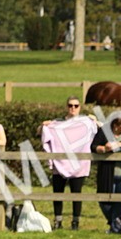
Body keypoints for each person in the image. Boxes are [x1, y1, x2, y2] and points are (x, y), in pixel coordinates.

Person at [40, 97, 96, 231]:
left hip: (78, 164)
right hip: (60, 163)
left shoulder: (85, 123)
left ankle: (75, 221)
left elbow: (98, 128)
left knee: (76, 194)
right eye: (70, 105)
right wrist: (43, 126)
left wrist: (94, 121)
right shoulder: (56, 123)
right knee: (58, 193)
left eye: (76, 106)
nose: (73, 108)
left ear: (80, 107)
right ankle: (58, 220)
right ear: (66, 107)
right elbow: (42, 132)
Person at [91, 117, 121, 232]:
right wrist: (104, 149)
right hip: (107, 173)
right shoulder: (104, 132)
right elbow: (94, 146)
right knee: (104, 200)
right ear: (116, 126)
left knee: (119, 202)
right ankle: (114, 223)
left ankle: (115, 228)